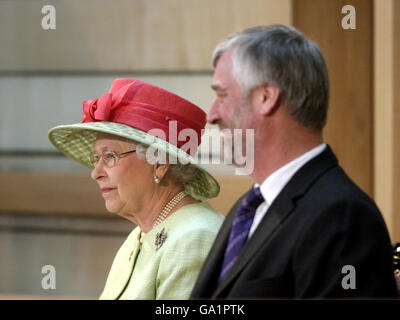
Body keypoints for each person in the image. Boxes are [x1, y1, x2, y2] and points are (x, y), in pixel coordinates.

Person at [190, 25, 398, 298]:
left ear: (266, 98)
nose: (212, 114)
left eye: (222, 94)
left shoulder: (342, 217)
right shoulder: (248, 209)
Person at [48, 78, 224, 299]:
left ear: (159, 163)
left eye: (110, 156)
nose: (96, 173)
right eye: (97, 159)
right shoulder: (140, 235)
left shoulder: (195, 237)